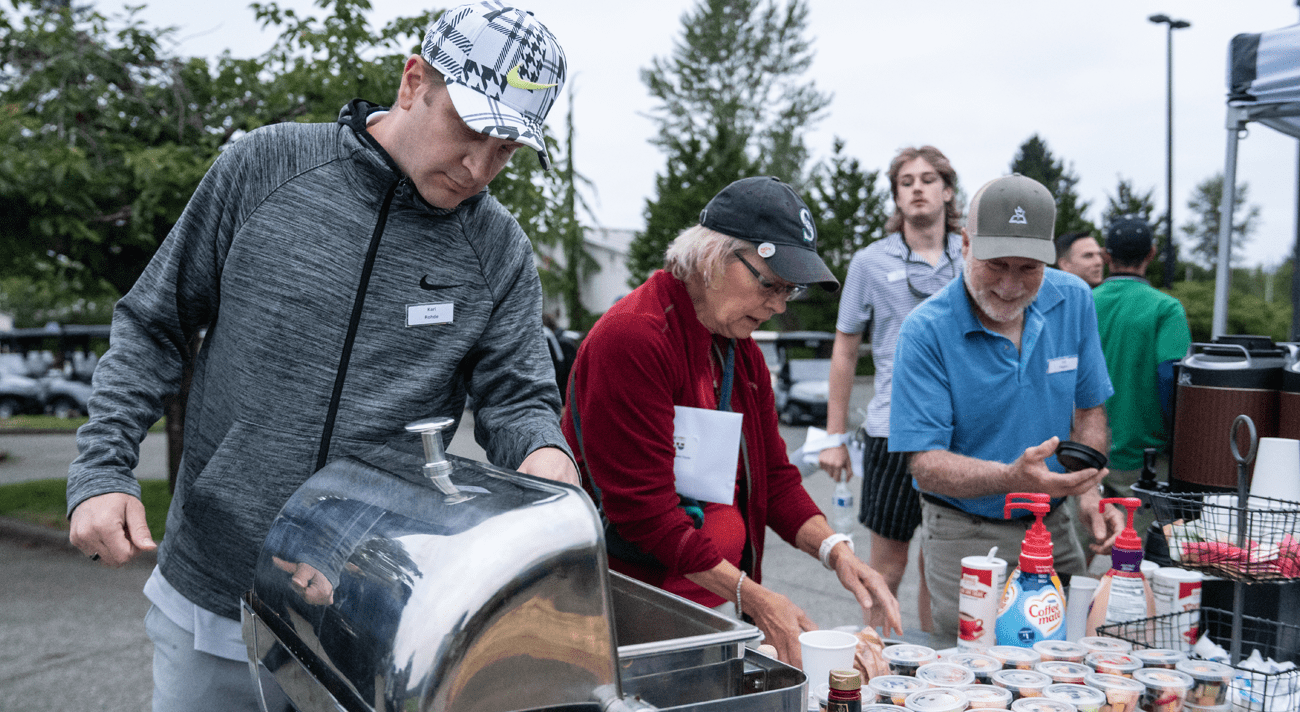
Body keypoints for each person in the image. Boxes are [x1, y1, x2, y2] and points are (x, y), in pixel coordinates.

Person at [66, 4, 576, 710]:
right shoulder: (262, 166)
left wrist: (546, 461)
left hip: (367, 616)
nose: (479, 167)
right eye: (471, 130)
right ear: (414, 80)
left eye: (508, 150)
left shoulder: (499, 253)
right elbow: (154, 322)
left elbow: (517, 401)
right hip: (211, 586)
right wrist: (101, 469)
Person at [562, 176, 903, 666]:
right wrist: (755, 597)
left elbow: (776, 479)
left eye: (791, 290)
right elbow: (644, 513)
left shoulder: (739, 352)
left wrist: (837, 552)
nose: (780, 304)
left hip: (707, 596)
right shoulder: (636, 337)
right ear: (712, 257)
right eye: (770, 283)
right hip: (630, 603)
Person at [888, 174, 1125, 642]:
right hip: (966, 532)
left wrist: (1087, 488)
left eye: (1028, 268)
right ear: (965, 244)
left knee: (1073, 656)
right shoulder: (925, 331)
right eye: (996, 265)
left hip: (1051, 522)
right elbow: (926, 465)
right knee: (975, 675)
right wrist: (1012, 477)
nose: (1012, 285)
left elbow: (1090, 412)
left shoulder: (1073, 299)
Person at [819, 146, 963, 633]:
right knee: (888, 567)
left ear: (947, 191)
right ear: (897, 196)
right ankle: (873, 664)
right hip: (890, 429)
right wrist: (834, 437)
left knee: (941, 571)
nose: (917, 188)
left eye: (928, 179)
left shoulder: (972, 256)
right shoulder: (869, 261)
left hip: (958, 434)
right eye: (906, 181)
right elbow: (844, 350)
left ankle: (933, 676)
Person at [1092, 217, 1191, 533]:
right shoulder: (1166, 308)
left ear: (1106, 256)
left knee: (1069, 566)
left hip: (1084, 456)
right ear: (1152, 253)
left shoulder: (1083, 303)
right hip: (1143, 460)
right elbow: (1171, 377)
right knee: (1142, 562)